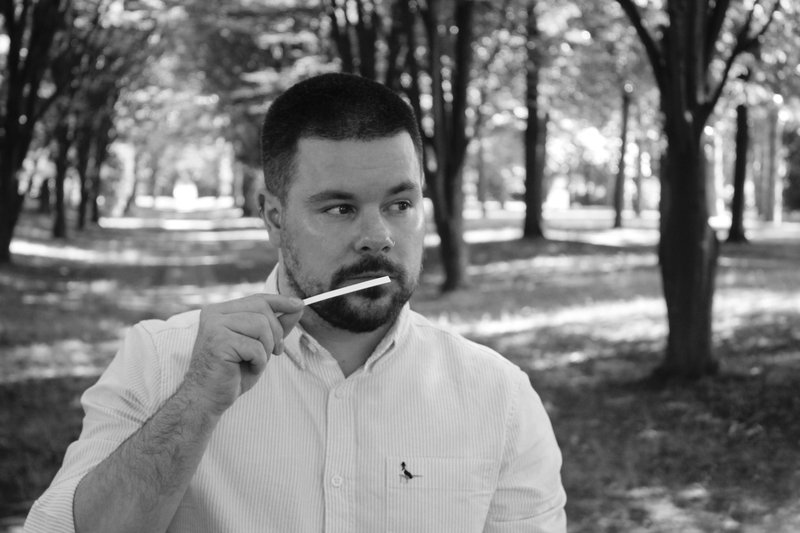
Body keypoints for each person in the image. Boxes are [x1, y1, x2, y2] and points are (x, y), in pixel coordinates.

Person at [24, 73, 566, 533]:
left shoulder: (499, 397)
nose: (378, 237)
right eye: (339, 208)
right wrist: (195, 404)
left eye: (400, 203)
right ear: (274, 216)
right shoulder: (163, 362)